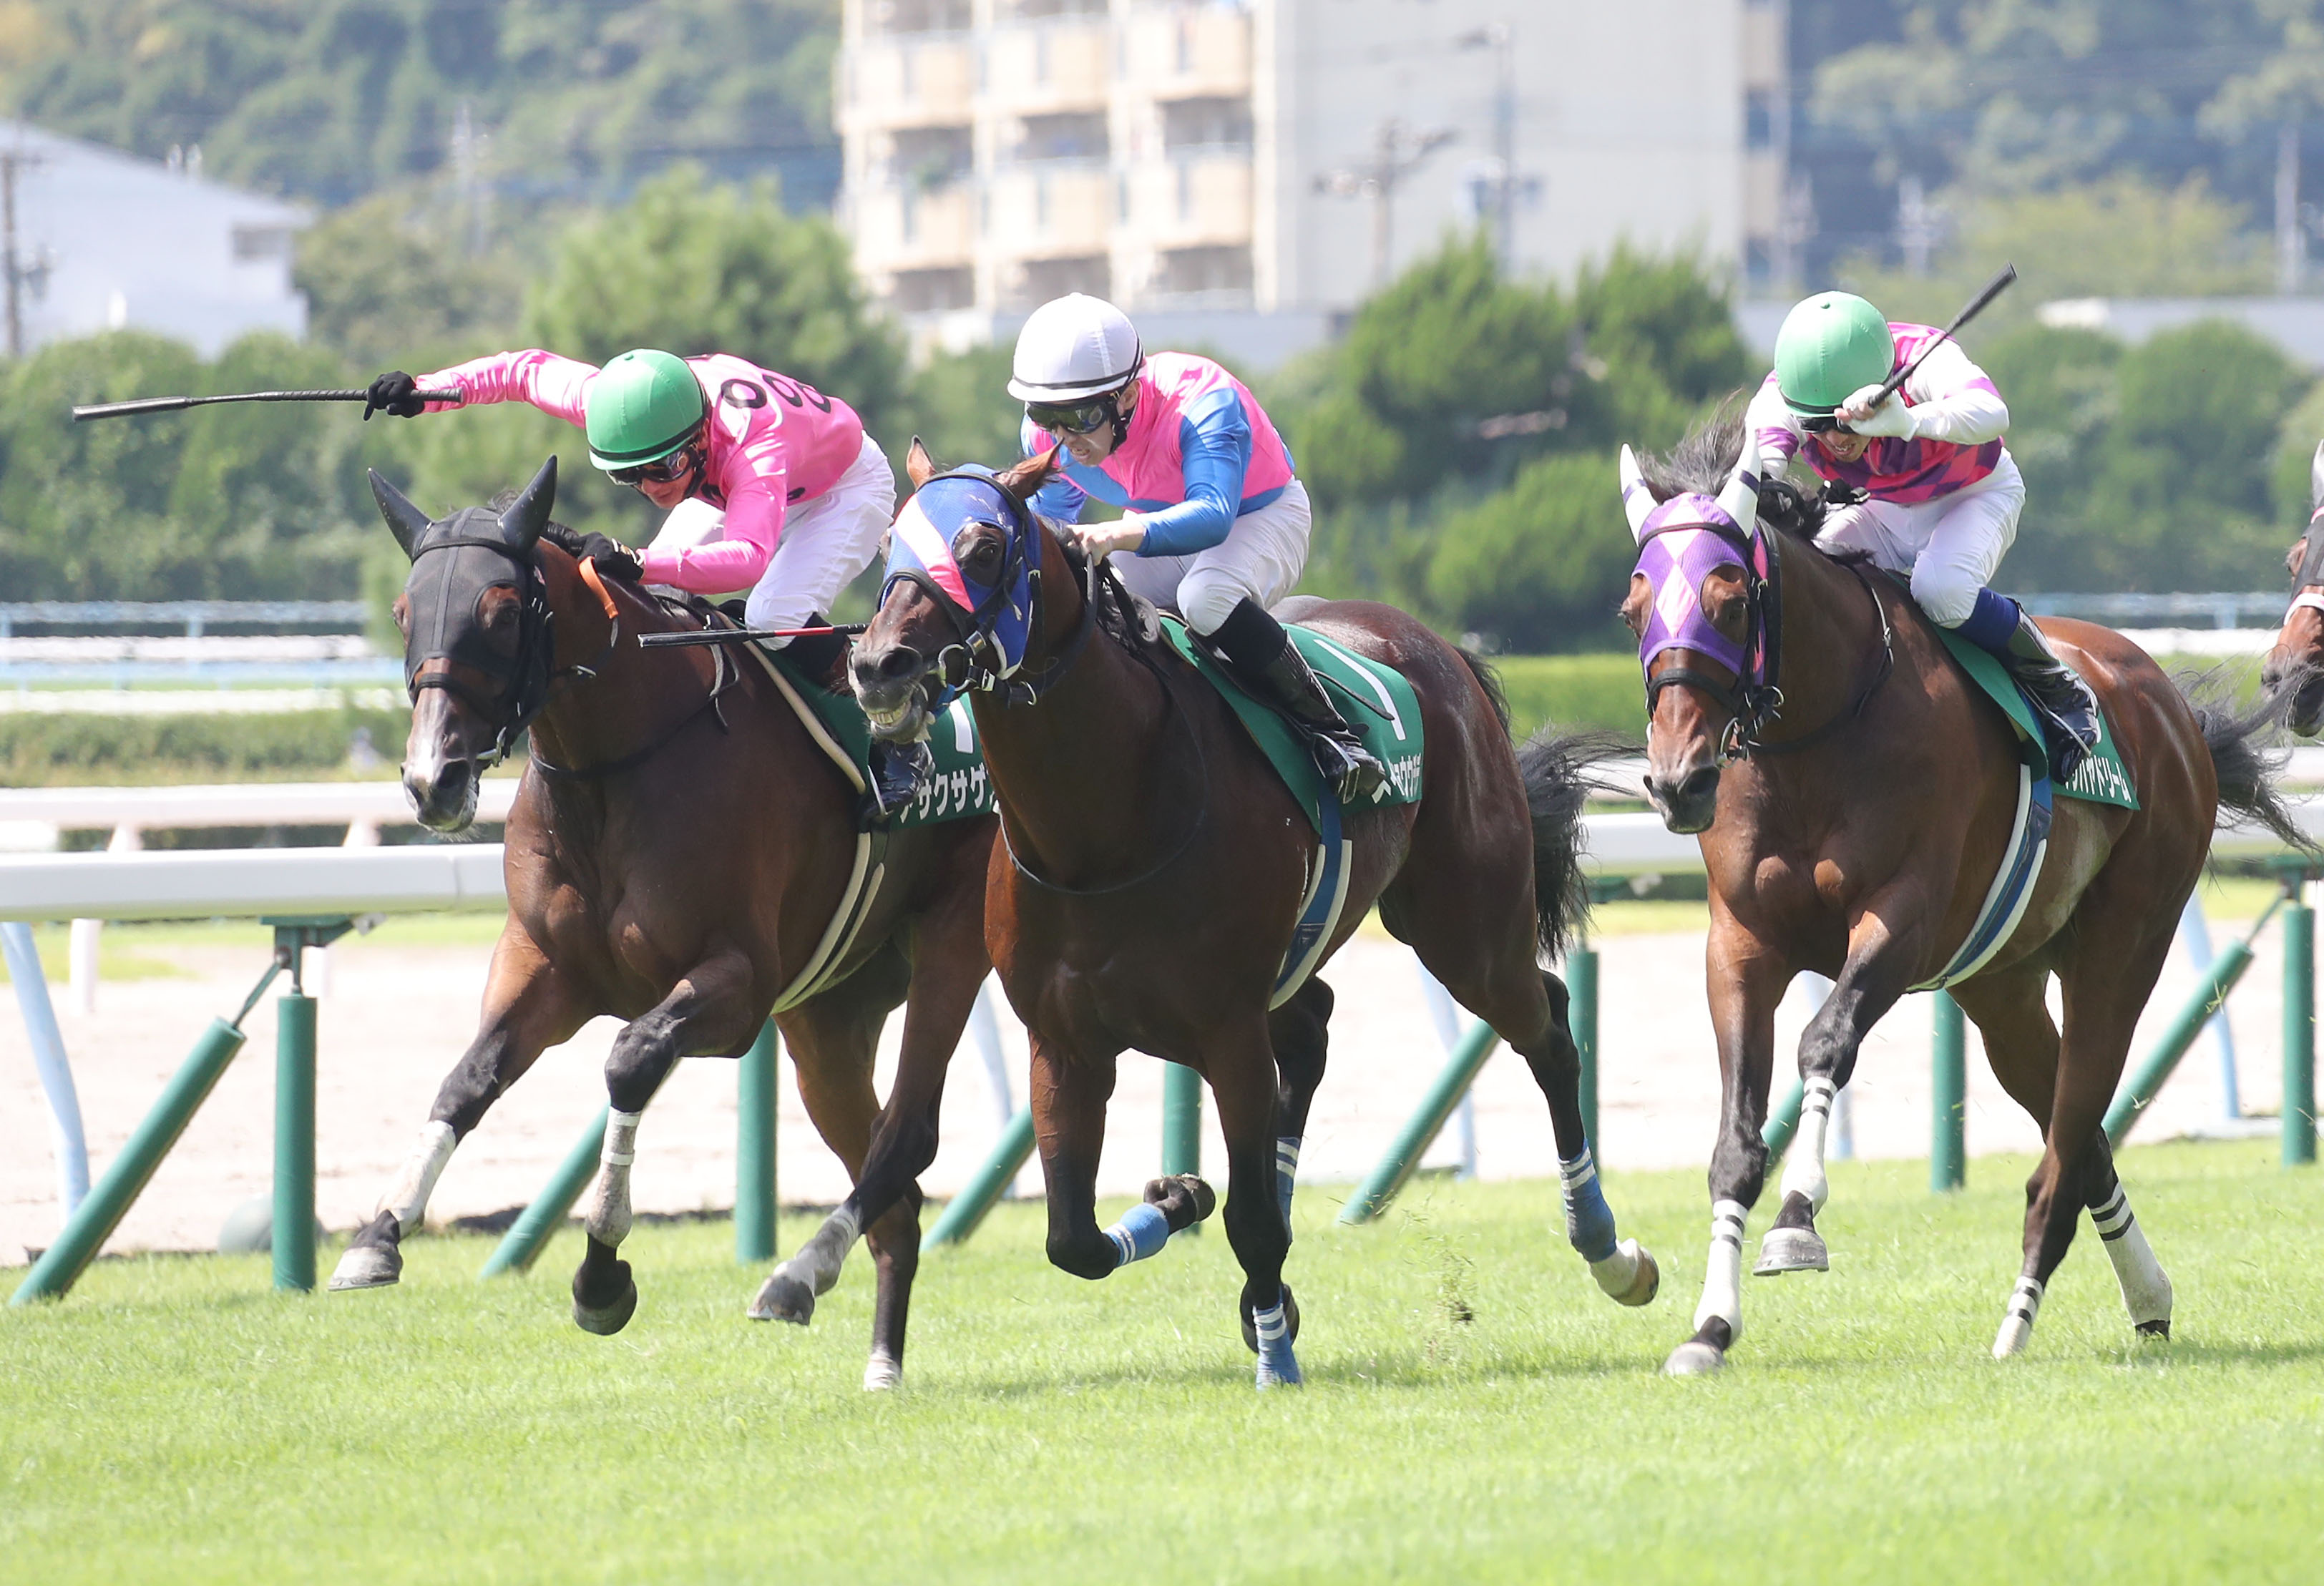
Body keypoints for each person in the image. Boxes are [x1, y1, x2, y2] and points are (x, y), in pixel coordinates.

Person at [363, 348, 926, 811]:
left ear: (700, 437)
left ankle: (899, 725)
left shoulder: (754, 447)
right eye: (631, 474)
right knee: (654, 596)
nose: (654, 488)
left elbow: (749, 558)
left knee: (772, 615)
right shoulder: (619, 402)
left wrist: (637, 559)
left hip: (841, 489)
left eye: (664, 469)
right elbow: (524, 372)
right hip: (731, 481)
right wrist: (425, 392)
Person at [1008, 293, 1385, 801]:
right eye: (1045, 415)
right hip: (1159, 524)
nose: (1063, 437)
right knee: (1098, 604)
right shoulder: (1045, 439)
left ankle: (1331, 733)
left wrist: (1115, 534)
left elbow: (1212, 516)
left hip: (1259, 515)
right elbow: (1054, 527)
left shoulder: (1203, 400)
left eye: (1080, 416)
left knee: (1205, 598)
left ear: (1127, 397)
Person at [1745, 291, 2100, 780]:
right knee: (1814, 579)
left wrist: (1911, 421)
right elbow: (1760, 466)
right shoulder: (1783, 393)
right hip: (1882, 507)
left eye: (1846, 422)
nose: (1835, 439)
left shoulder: (1922, 356)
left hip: (1974, 494)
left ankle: (2056, 682)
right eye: (1817, 425)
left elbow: (1993, 412)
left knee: (1941, 591)